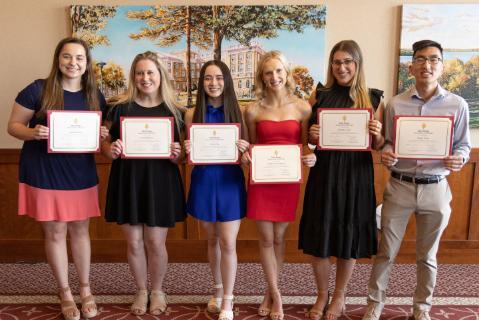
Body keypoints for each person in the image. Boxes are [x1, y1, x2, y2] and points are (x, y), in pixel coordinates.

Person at [362, 40, 471, 320]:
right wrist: (386, 153)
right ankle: (375, 304)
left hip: (436, 187)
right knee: (386, 251)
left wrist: (458, 158)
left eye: (434, 59)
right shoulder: (396, 103)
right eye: (420, 59)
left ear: (442, 67)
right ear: (411, 67)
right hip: (399, 185)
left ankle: (422, 309)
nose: (427, 65)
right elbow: (386, 142)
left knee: (428, 256)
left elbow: (463, 146)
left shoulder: (457, 105)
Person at [7, 37, 108, 320]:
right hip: (45, 171)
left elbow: (102, 135)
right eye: (67, 57)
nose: (72, 63)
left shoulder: (94, 95)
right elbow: (13, 126)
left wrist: (102, 135)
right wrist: (33, 132)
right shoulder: (38, 89)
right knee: (55, 232)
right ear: (58, 59)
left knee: (80, 231)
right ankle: (64, 292)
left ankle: (85, 289)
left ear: (86, 64)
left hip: (80, 173)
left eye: (79, 58)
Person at [298, 40, 384, 320]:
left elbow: (381, 145)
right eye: (337, 62)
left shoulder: (373, 98)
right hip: (325, 174)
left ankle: (340, 295)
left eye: (348, 62)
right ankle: (321, 294)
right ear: (331, 65)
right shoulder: (319, 95)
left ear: (357, 64)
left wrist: (378, 132)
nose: (342, 67)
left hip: (356, 176)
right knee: (320, 233)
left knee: (349, 234)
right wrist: (311, 139)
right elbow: (306, 142)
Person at [102, 51, 186, 316]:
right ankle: (140, 289)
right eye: (140, 73)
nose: (145, 78)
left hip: (160, 181)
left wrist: (177, 154)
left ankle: (158, 289)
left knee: (155, 242)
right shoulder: (118, 109)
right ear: (133, 76)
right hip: (128, 179)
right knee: (134, 243)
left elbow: (183, 155)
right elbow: (104, 145)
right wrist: (110, 149)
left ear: (160, 75)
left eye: (150, 72)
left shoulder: (176, 111)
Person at [243, 51, 317, 320]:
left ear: (287, 74)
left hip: (288, 180)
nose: (273, 77)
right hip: (262, 181)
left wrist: (311, 155)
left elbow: (306, 144)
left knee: (279, 238)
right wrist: (246, 154)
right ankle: (277, 296)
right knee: (265, 239)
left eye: (278, 71)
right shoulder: (252, 110)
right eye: (267, 72)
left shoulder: (302, 107)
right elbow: (251, 146)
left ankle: (268, 292)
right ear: (261, 77)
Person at [184, 60, 249, 320]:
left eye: (219, 78)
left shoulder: (240, 113)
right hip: (203, 182)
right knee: (211, 240)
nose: (214, 83)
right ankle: (217, 290)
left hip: (229, 183)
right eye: (208, 78)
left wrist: (246, 151)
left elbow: (247, 158)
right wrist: (187, 149)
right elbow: (183, 154)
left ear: (227, 81)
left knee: (228, 243)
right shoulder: (191, 114)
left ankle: (228, 301)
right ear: (201, 83)